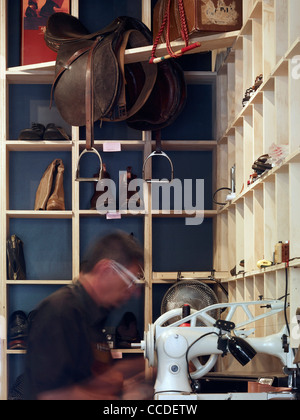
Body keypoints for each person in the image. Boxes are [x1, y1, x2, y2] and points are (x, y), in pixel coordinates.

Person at [24, 230, 149, 400]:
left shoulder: (95, 314)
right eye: (130, 282)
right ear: (105, 270)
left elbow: (90, 378)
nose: (135, 293)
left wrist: (144, 368)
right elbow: (51, 395)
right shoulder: (60, 312)